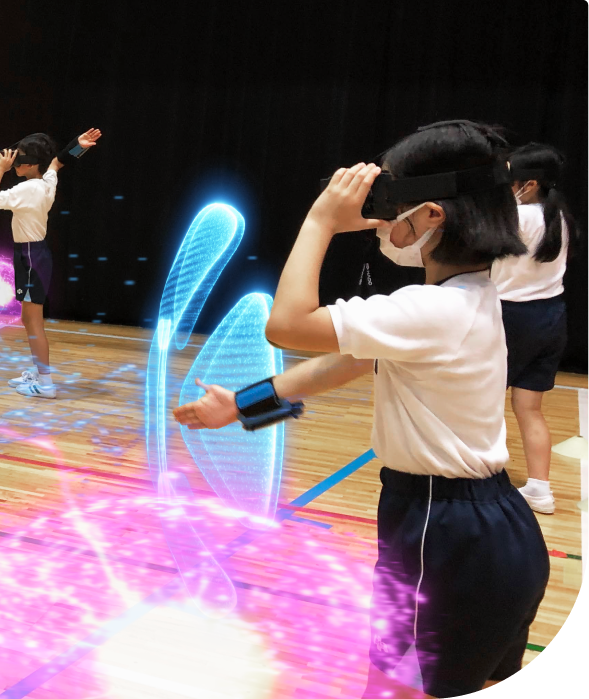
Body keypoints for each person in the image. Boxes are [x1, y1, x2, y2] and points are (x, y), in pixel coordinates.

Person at [173, 121, 548, 698]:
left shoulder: (431, 310)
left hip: (441, 532)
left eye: (392, 204)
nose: (382, 221)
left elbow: (287, 324)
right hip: (493, 532)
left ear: (432, 216)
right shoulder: (466, 298)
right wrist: (243, 406)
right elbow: (346, 363)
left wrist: (320, 221)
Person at [0, 127, 102, 399]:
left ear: (31, 163)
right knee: (28, 318)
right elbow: (57, 162)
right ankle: (39, 372)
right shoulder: (46, 181)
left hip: (30, 257)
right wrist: (78, 145)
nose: (14, 163)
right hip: (32, 255)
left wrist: (0, 169)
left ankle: (46, 384)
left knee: (34, 322)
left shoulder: (28, 189)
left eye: (19, 159)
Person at [493, 143, 579, 514]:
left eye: (508, 177)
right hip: (551, 316)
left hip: (511, 316)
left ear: (528, 184)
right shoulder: (560, 217)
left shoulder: (517, 216)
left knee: (485, 402)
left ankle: (481, 477)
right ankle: (540, 490)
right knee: (530, 409)